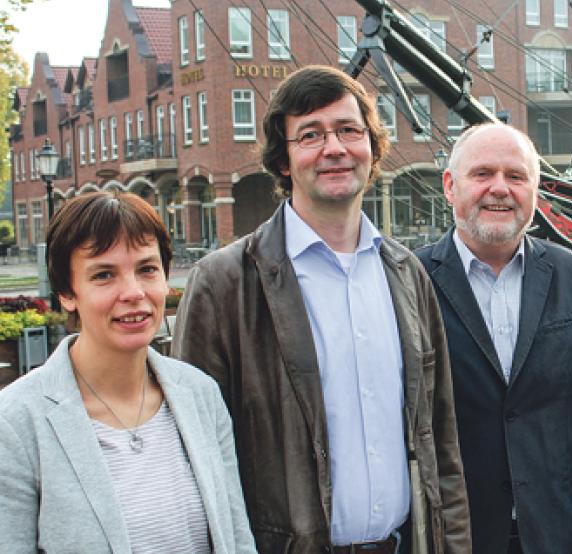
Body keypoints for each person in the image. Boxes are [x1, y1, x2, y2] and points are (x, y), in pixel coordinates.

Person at [173, 65, 469, 554]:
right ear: (283, 159)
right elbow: (195, 457)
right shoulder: (224, 284)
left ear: (372, 147)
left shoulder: (407, 275)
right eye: (310, 135)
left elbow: (441, 440)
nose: (334, 148)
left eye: (349, 130)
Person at [416, 122, 572, 554]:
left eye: (516, 176)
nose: (500, 188)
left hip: (559, 535)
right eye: (483, 174)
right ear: (450, 186)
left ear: (535, 191)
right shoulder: (411, 280)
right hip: (457, 536)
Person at [0, 191, 255, 553]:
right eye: (104, 275)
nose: (133, 292)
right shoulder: (16, 423)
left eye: (147, 269)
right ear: (67, 293)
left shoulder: (201, 394)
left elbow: (237, 539)